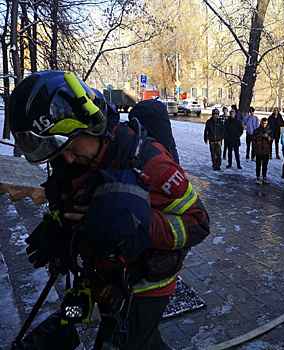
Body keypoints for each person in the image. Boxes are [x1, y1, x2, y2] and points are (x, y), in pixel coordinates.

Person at [8, 70, 210, 350]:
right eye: (56, 148)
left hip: (143, 287)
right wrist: (61, 231)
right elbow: (79, 205)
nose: (65, 157)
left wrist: (136, 221)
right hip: (101, 279)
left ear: (92, 123)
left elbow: (198, 223)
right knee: (145, 343)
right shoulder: (71, 159)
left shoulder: (151, 163)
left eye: (71, 144)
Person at [252, 117, 273, 184]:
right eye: (263, 123)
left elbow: (271, 141)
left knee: (265, 165)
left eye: (265, 123)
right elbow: (253, 140)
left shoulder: (269, 131)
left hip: (266, 150)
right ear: (261, 123)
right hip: (258, 150)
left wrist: (268, 137)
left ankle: (264, 177)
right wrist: (255, 147)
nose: (264, 125)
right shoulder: (257, 131)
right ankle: (257, 177)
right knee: (258, 165)